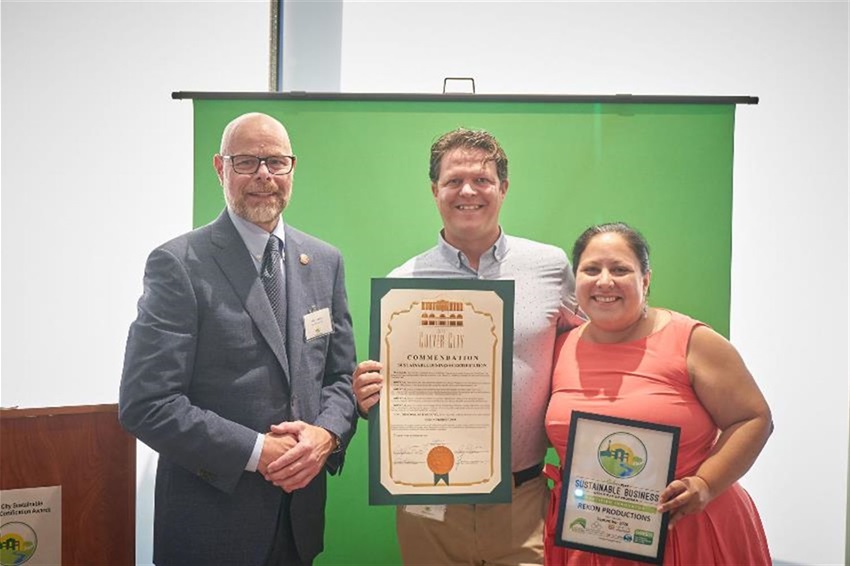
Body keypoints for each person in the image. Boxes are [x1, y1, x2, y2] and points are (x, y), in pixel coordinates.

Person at [119, 112, 357, 566]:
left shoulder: (324, 261)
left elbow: (340, 377)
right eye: (246, 161)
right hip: (210, 529)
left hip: (297, 524)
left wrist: (326, 435)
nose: (264, 175)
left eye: (276, 162)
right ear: (219, 167)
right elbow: (146, 402)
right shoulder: (179, 264)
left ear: (292, 168)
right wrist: (257, 451)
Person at [354, 127, 585, 565]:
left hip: (524, 497)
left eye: (482, 180)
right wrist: (371, 395)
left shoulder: (551, 268)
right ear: (434, 190)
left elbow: (593, 344)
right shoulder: (402, 285)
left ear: (503, 188)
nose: (468, 192)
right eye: (453, 181)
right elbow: (394, 391)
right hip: (429, 503)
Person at [544, 222, 773, 565]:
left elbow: (754, 418)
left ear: (645, 279)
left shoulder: (692, 341)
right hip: (590, 537)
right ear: (576, 280)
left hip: (689, 530)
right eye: (591, 269)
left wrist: (706, 484)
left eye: (620, 269)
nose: (605, 281)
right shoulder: (560, 347)